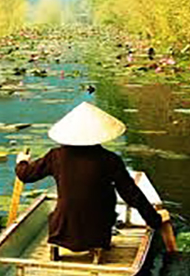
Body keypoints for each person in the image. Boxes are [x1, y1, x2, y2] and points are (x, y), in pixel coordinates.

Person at [15, 102, 165, 253]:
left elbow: (25, 175)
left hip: (62, 230)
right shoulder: (110, 159)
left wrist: (22, 161)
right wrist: (154, 220)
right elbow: (131, 194)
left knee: (63, 208)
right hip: (97, 233)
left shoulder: (56, 156)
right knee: (107, 202)